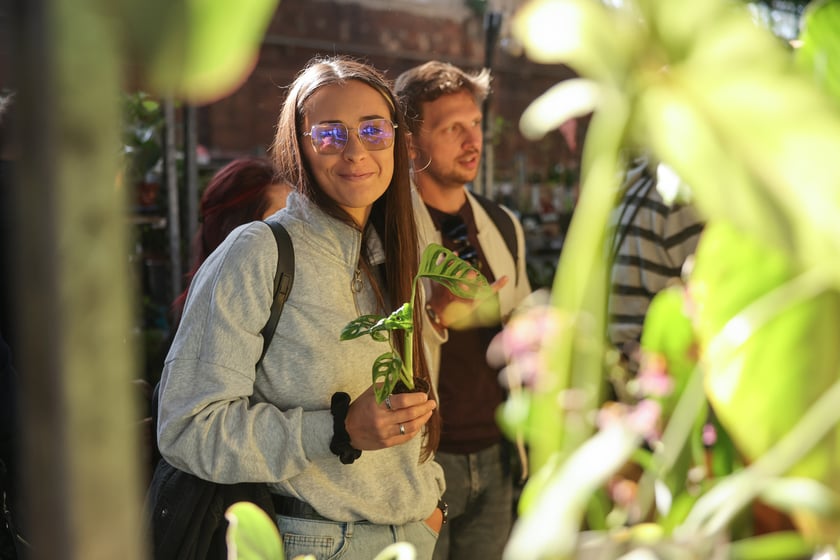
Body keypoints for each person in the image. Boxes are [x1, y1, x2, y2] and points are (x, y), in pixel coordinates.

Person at [156, 56, 446, 560]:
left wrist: (428, 502)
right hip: (314, 541)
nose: (356, 151)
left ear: (397, 140)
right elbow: (187, 429)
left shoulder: (392, 252)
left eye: (373, 129)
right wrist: (337, 429)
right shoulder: (258, 251)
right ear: (299, 146)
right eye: (330, 134)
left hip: (416, 535)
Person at [394, 61, 533, 560]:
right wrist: (433, 317)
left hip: (497, 454)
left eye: (474, 124)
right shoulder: (386, 230)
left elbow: (519, 333)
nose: (472, 141)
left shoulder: (502, 223)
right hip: (421, 459)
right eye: (452, 128)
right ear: (410, 143)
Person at [607, 154, 704, 374]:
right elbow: (710, 298)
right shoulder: (676, 198)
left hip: (622, 372)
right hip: (656, 379)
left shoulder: (627, 187)